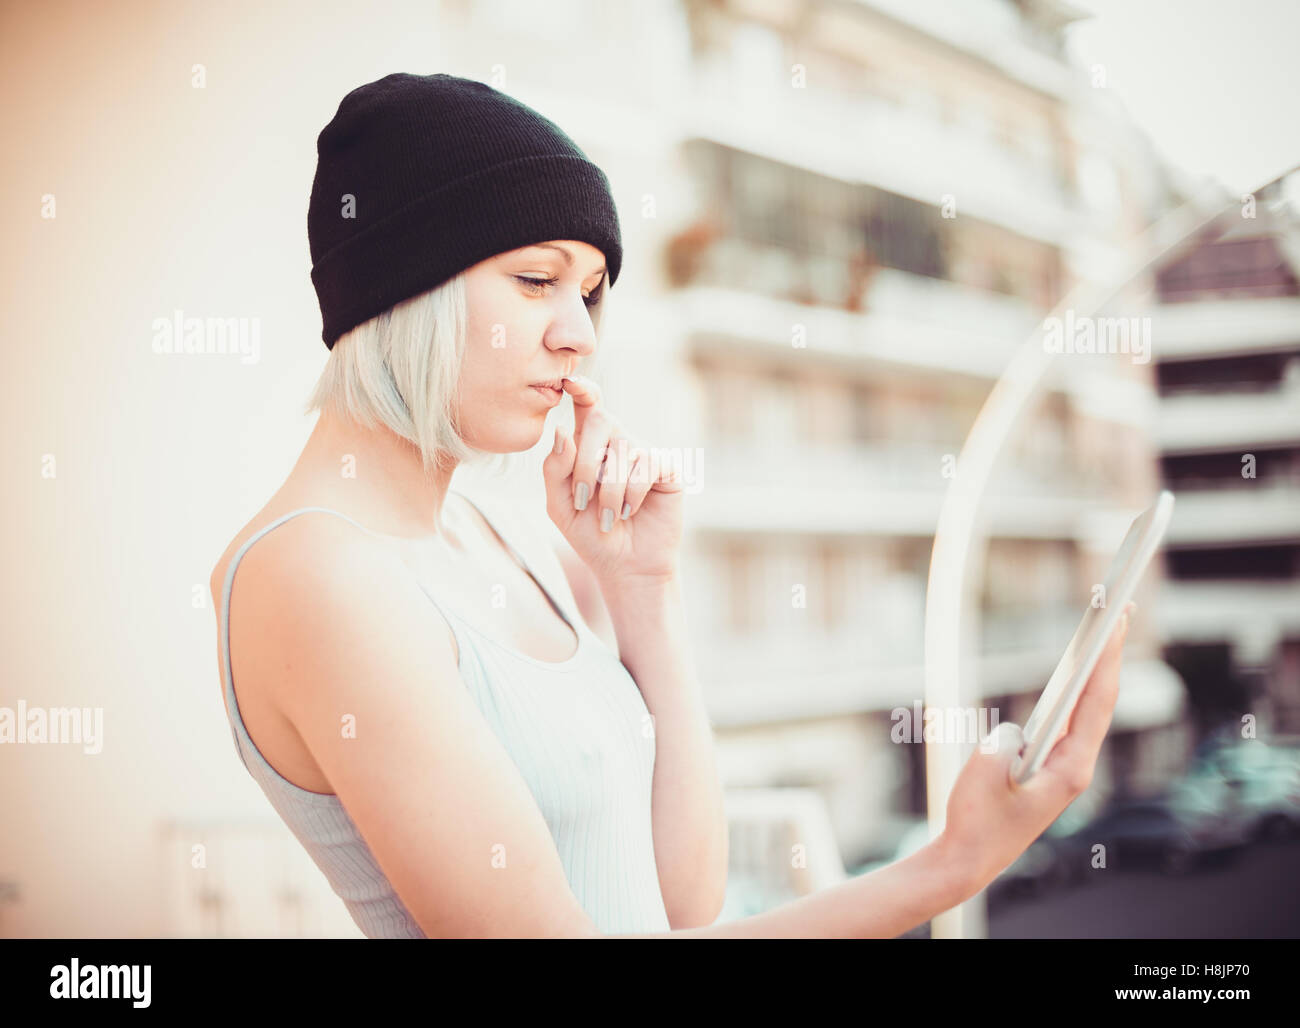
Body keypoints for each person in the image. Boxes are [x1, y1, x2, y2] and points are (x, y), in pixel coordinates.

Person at [210, 72, 1133, 939]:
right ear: (402, 286)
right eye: (537, 280)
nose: (577, 334)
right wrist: (946, 869)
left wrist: (645, 589)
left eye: (591, 292)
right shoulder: (317, 576)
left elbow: (681, 904)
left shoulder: (485, 536)